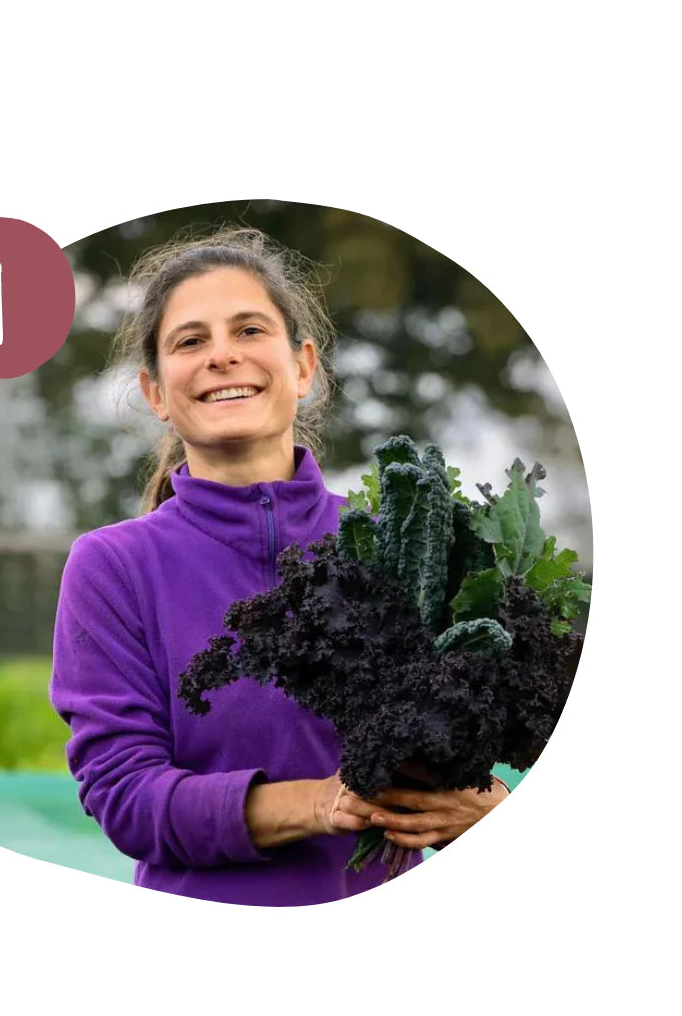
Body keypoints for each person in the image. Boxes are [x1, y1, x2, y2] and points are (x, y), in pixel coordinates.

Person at [49, 227, 508, 906]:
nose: (223, 357)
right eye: (191, 341)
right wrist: (317, 804)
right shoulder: (114, 566)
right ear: (154, 391)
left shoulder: (401, 541)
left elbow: (463, 753)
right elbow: (123, 792)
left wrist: (488, 812)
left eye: (249, 330)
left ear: (303, 366)